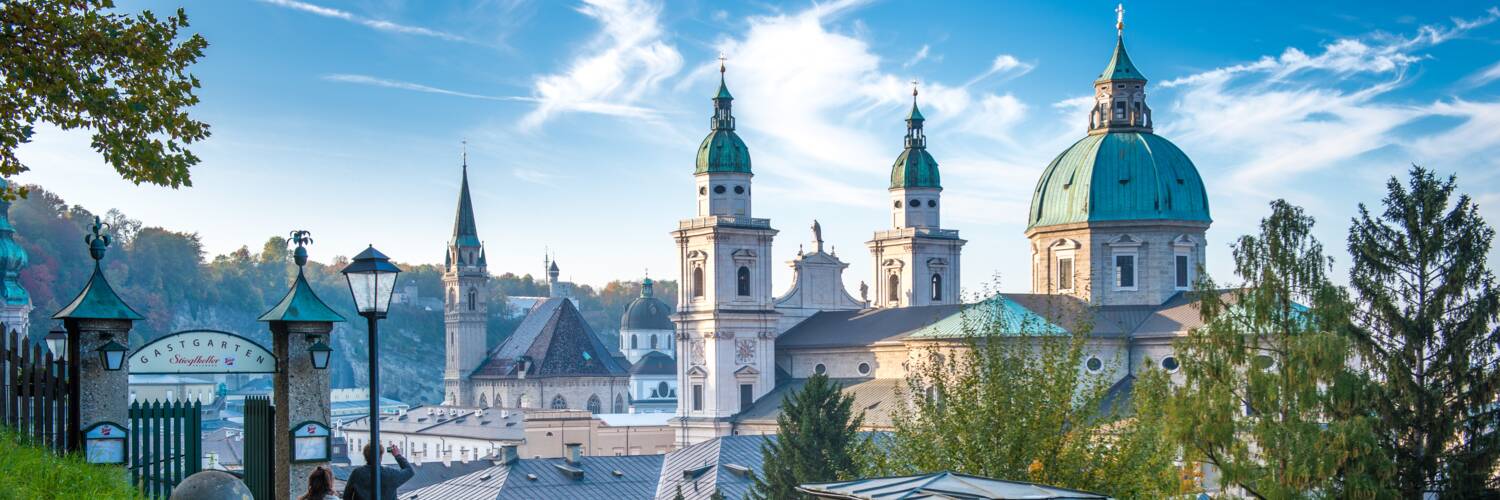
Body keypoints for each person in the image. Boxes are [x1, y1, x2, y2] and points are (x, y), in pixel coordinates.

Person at [342, 444, 414, 500]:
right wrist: (397, 455)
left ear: (365, 456)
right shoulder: (390, 474)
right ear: (381, 456)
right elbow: (410, 471)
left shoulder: (357, 473)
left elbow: (346, 496)